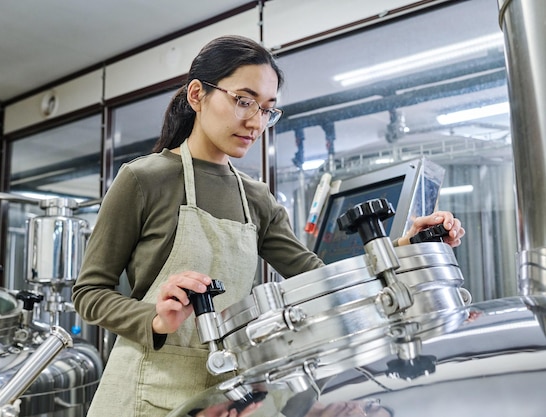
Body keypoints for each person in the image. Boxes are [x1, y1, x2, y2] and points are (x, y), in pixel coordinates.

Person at [71, 34, 465, 417]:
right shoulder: (143, 179)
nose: (256, 122)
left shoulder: (256, 198)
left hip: (225, 397)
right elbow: (89, 292)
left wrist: (404, 250)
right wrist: (155, 318)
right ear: (197, 95)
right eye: (244, 101)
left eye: (267, 109)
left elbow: (320, 279)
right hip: (143, 393)